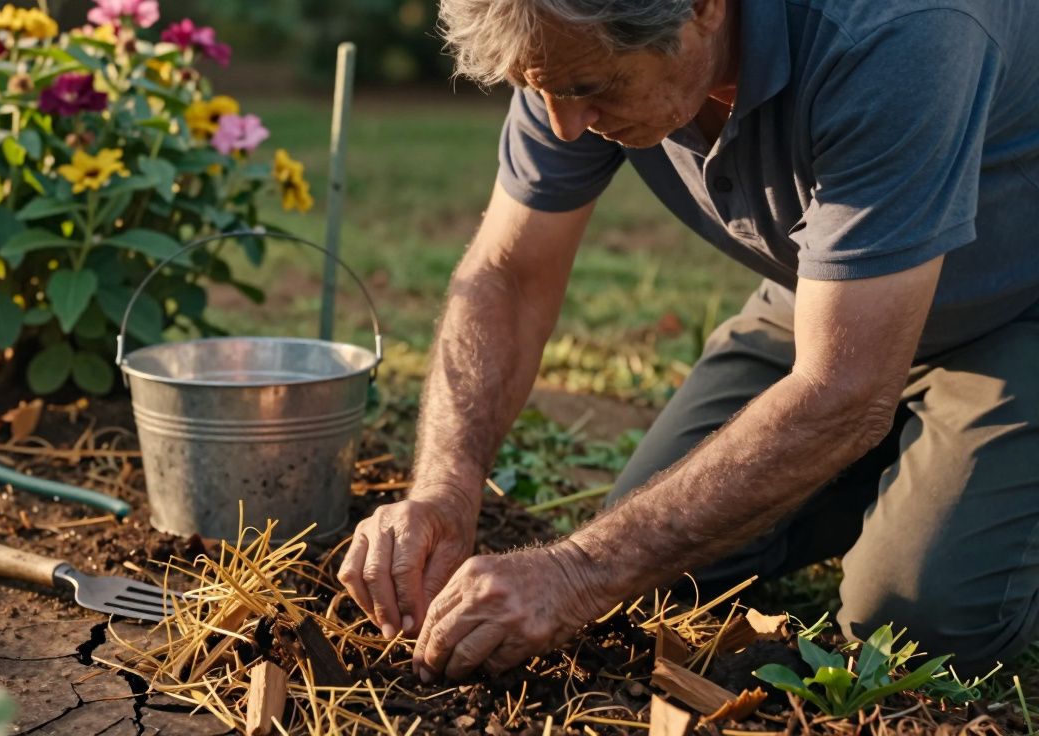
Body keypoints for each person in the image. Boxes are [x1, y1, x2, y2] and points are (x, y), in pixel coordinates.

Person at [337, 0, 1039, 683]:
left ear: (703, 9)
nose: (566, 125)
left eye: (591, 89)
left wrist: (579, 570)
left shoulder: (900, 32)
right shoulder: (565, 43)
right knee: (650, 570)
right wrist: (443, 490)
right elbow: (510, 276)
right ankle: (911, 473)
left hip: (1018, 308)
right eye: (538, 89)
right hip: (832, 303)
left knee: (916, 629)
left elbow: (843, 391)